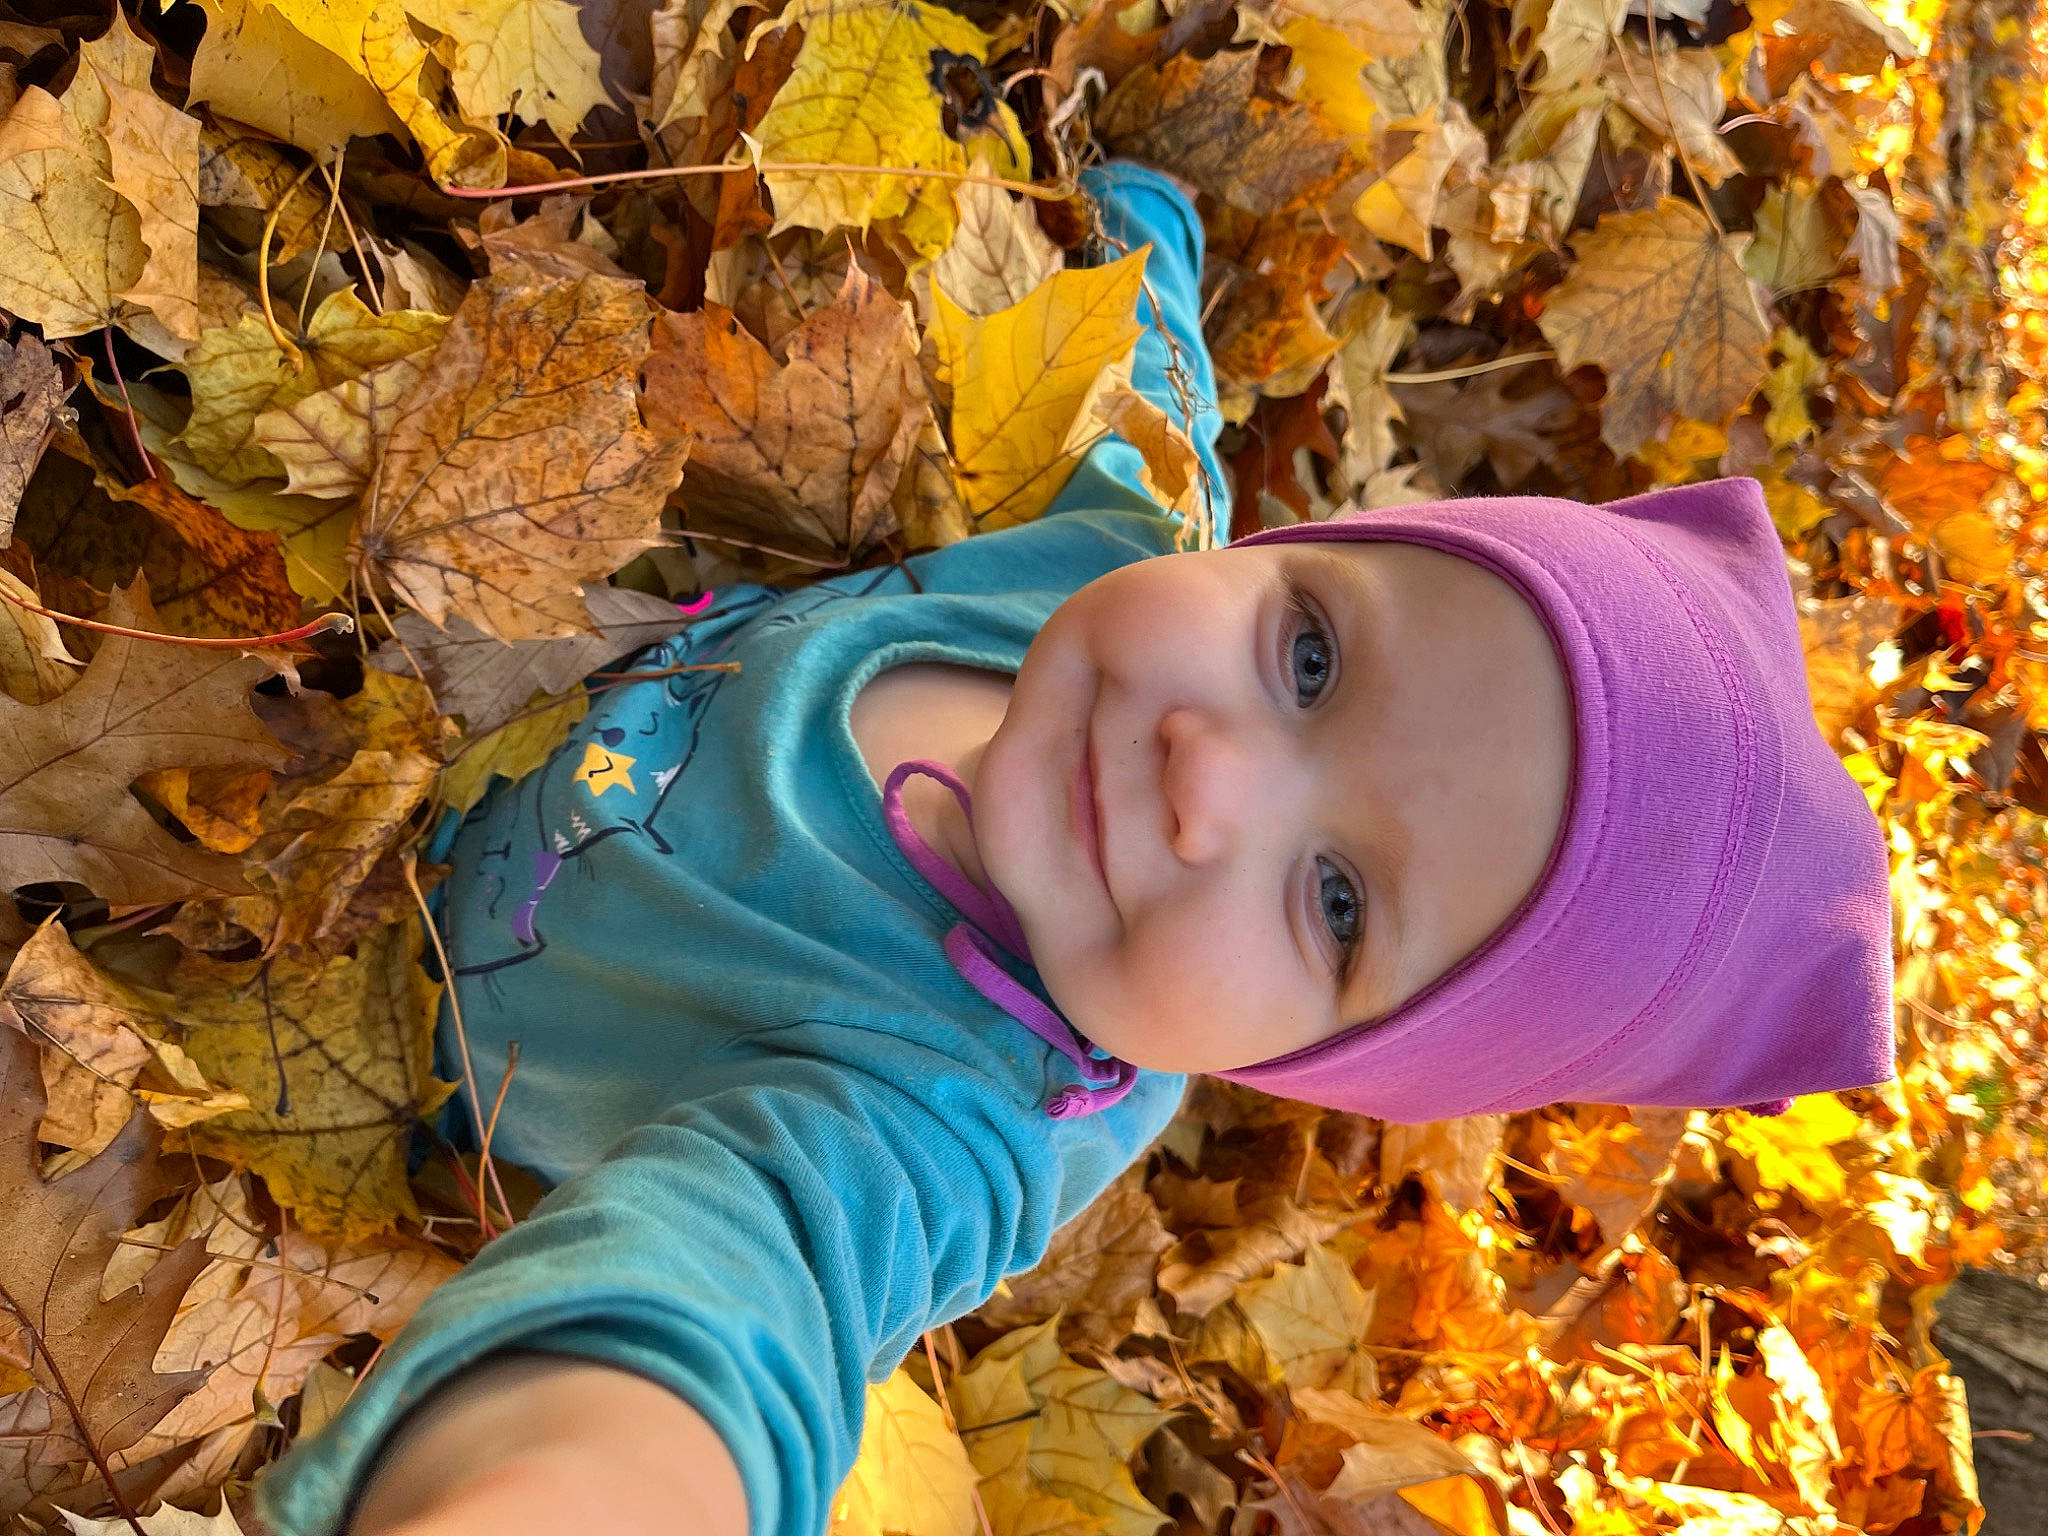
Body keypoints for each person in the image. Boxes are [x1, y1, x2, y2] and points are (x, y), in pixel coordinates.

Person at [252, 161, 1897, 1536]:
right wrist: (1149, 229)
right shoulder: (1110, 557)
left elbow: (747, 1285)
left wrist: (573, 1483)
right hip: (416, 688)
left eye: (1335, 899)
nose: (1211, 780)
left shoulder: (950, 1110)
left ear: (1328, 1060)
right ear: (1283, 555)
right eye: (1310, 657)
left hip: (351, 1002)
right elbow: (1167, 384)